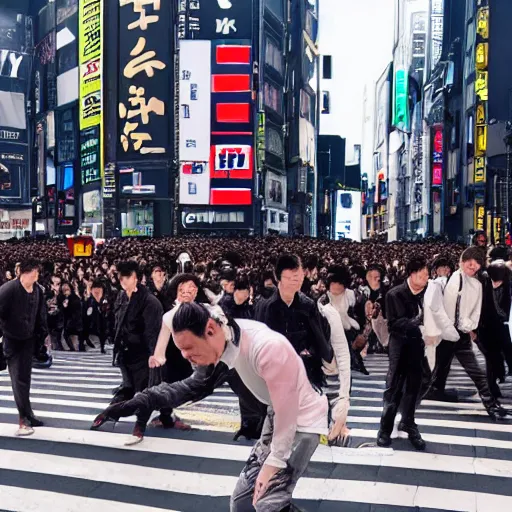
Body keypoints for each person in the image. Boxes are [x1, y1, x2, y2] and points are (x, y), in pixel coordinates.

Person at [92, 302, 328, 511]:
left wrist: (274, 463)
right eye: (181, 349)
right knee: (242, 501)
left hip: (302, 421)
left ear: (211, 330)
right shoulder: (220, 346)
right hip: (275, 416)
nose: (185, 356)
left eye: (189, 348)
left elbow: (288, 410)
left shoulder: (267, 347)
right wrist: (139, 401)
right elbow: (190, 386)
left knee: (268, 503)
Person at [426, 247, 509, 420]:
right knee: (440, 367)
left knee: (472, 371)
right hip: (449, 332)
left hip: (459, 334)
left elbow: (474, 311)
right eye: (470, 263)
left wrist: (468, 328)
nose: (473, 266)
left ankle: (491, 405)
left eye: (477, 264)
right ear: (462, 262)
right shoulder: (449, 280)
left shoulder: (477, 284)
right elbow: (442, 307)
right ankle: (425, 394)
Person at [254, 254, 334, 390]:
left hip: (304, 372)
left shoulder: (307, 305)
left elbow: (319, 336)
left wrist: (310, 353)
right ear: (278, 278)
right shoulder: (266, 305)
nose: (294, 282)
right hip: (274, 374)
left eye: (297, 278)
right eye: (289, 278)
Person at [377, 256, 429, 450]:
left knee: (417, 385)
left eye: (427, 275)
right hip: (400, 346)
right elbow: (395, 324)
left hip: (418, 346)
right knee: (394, 388)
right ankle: (384, 430)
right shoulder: (395, 294)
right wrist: (419, 323)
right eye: (423, 275)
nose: (426, 278)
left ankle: (408, 421)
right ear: (412, 274)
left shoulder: (428, 293)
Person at [111, 261, 163, 444]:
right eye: (121, 277)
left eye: (128, 277)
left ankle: (139, 429)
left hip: (142, 354)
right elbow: (117, 323)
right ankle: (112, 414)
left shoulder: (149, 302)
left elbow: (153, 331)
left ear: (137, 278)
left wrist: (153, 354)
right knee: (128, 388)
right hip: (124, 352)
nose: (124, 281)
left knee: (143, 392)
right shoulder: (121, 296)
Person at [0, 259, 48, 436]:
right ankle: (23, 419)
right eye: (32, 272)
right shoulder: (9, 289)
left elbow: (40, 315)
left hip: (29, 340)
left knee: (25, 379)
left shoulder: (37, 290)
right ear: (23, 273)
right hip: (12, 340)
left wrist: (42, 338)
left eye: (37, 272)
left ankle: (28, 414)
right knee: (18, 380)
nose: (36, 275)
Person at [82, 279, 111, 354]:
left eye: (99, 292)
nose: (97, 294)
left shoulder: (105, 302)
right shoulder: (89, 302)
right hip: (91, 331)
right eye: (95, 292)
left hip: (103, 330)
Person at [58, 282, 83, 351]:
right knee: (64, 336)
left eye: (67, 289)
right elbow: (60, 309)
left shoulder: (75, 297)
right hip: (64, 320)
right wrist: (64, 306)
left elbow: (77, 308)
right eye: (64, 289)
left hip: (74, 321)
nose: (66, 291)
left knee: (74, 337)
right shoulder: (60, 297)